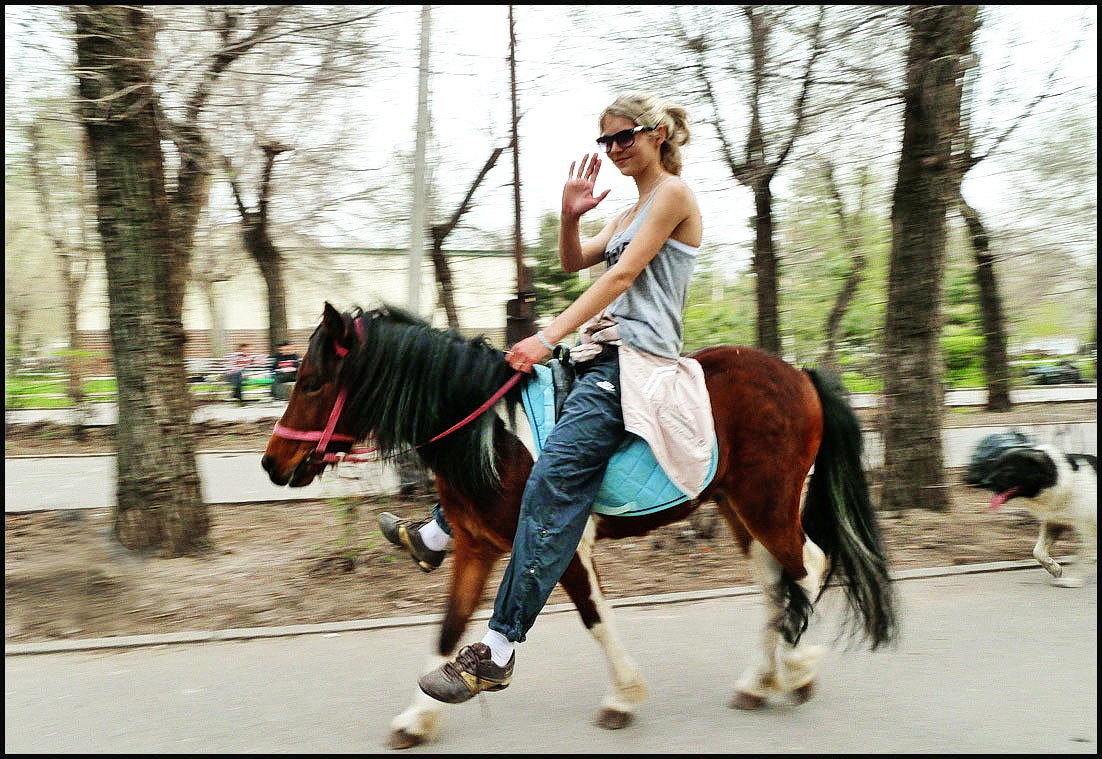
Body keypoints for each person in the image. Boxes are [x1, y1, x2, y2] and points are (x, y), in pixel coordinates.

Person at [408, 92, 703, 704]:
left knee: (549, 484)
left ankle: (496, 650)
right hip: (594, 356)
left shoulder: (672, 194)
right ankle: (439, 531)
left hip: (634, 364)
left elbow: (621, 278)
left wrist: (546, 336)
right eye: (607, 141)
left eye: (626, 137)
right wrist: (570, 216)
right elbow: (575, 263)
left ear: (656, 135)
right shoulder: (627, 213)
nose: (616, 149)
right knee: (503, 424)